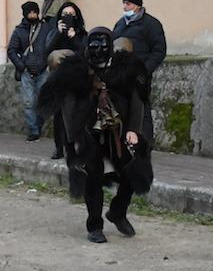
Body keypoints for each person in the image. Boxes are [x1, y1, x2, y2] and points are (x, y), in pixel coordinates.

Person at [42, 27, 151, 243]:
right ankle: (95, 226)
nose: (98, 49)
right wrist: (74, 139)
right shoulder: (76, 73)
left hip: (118, 133)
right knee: (93, 178)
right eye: (94, 45)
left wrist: (133, 130)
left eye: (103, 45)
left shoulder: (124, 70)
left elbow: (137, 100)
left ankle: (117, 212)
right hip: (88, 133)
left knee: (134, 172)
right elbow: (68, 107)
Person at [42, 1, 87, 165]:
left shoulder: (81, 33)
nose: (68, 17)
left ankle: (74, 146)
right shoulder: (54, 33)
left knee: (74, 113)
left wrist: (73, 37)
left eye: (71, 14)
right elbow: (46, 53)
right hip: (58, 80)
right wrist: (59, 34)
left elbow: (84, 53)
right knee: (58, 115)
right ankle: (59, 147)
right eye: (65, 14)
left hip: (75, 80)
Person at [112, 0, 167, 105]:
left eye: (128, 4)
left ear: (137, 6)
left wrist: (143, 70)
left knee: (141, 110)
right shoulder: (120, 24)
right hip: (120, 76)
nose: (124, 7)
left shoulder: (151, 24)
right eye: (124, 3)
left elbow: (159, 51)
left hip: (139, 77)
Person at [6, 2, 50, 141]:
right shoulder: (19, 31)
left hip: (43, 70)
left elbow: (51, 45)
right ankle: (34, 130)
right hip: (26, 72)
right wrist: (21, 66)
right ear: (25, 14)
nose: (33, 15)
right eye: (30, 13)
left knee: (43, 101)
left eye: (35, 12)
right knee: (29, 102)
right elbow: (11, 50)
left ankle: (39, 124)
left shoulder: (46, 28)